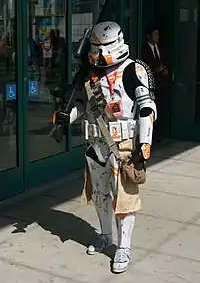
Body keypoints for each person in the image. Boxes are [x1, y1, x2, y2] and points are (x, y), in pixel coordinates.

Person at [53, 21, 157, 273]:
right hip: (95, 145)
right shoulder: (91, 75)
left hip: (122, 146)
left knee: (124, 200)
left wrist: (144, 144)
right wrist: (69, 117)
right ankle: (105, 235)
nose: (99, 54)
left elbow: (146, 108)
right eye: (95, 48)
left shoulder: (134, 70)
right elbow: (84, 105)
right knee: (100, 195)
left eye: (103, 47)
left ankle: (124, 247)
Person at [142, 25, 169, 139]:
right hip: (151, 83)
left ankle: (160, 133)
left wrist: (164, 69)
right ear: (149, 36)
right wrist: (156, 69)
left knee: (161, 107)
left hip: (161, 83)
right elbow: (146, 64)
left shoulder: (161, 47)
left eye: (158, 34)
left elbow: (166, 60)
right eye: (155, 34)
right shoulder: (144, 49)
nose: (157, 37)